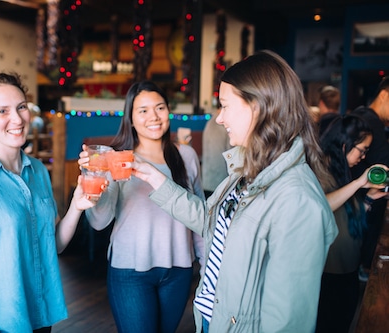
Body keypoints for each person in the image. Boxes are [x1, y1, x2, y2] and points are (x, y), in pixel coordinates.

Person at [131, 50, 338, 333]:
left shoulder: (297, 200)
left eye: (225, 106)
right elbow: (210, 222)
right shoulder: (249, 168)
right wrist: (155, 178)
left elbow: (287, 323)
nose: (219, 118)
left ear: (258, 106)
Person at [0, 72, 97, 333]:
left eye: (21, 107)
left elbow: (51, 245)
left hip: (37, 319)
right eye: (2, 111)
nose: (17, 118)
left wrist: (77, 206)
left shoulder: (37, 171)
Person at [78, 80, 205, 333]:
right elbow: (99, 221)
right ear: (131, 119)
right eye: (143, 111)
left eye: (159, 108)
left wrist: (206, 264)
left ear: (168, 111)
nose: (154, 117)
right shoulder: (118, 159)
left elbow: (198, 214)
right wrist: (96, 178)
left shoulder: (186, 156)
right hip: (130, 271)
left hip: (178, 268)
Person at [317, 114, 388, 332]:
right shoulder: (320, 171)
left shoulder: (343, 172)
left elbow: (344, 216)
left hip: (347, 270)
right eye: (362, 150)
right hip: (329, 276)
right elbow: (321, 207)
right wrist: (359, 183)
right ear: (345, 144)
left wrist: (369, 200)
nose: (363, 156)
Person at [350, 76, 389, 282]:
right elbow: (385, 163)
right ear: (384, 95)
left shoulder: (361, 114)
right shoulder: (372, 121)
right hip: (360, 207)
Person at [202, 109, 232, 197]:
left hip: (207, 180)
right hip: (221, 182)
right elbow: (233, 154)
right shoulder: (224, 126)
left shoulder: (210, 122)